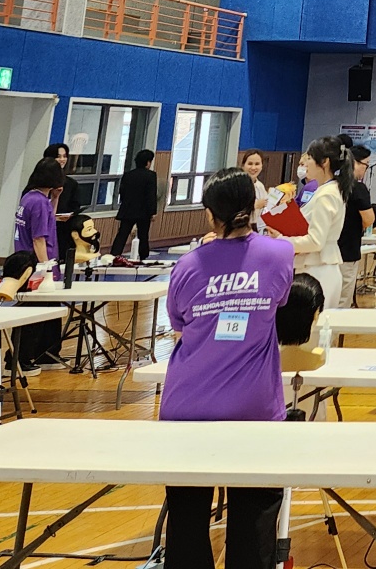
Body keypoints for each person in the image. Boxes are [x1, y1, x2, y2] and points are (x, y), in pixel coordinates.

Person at [161, 167, 291, 569]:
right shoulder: (279, 254)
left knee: (186, 520)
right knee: (254, 517)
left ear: (209, 214)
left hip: (187, 407)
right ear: (252, 207)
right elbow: (280, 302)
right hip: (253, 408)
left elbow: (179, 326)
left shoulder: (187, 266)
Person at [281, 135, 351, 310]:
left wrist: (281, 241)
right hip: (316, 267)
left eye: (310, 159)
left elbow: (316, 241)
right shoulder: (326, 190)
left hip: (319, 269)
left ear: (324, 162)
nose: (305, 164)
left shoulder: (326, 194)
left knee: (315, 325)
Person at [12, 159, 66, 372]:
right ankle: (20, 359)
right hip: (37, 266)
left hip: (28, 262)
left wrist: (55, 198)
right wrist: (46, 270)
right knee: (34, 316)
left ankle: (45, 354)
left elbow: (48, 220)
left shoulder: (30, 198)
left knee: (49, 313)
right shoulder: (39, 202)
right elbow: (39, 239)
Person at [337, 145, 376, 307]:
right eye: (366, 165)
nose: (366, 169)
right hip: (348, 249)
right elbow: (369, 219)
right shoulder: (358, 188)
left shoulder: (331, 184)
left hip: (328, 250)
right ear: (356, 163)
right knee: (342, 300)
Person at [110, 149, 160, 261]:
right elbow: (151, 195)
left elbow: (122, 192)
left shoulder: (128, 175)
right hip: (143, 211)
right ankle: (143, 256)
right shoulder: (151, 175)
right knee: (143, 235)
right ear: (148, 162)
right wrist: (153, 212)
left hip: (128, 208)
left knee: (122, 234)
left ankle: (114, 254)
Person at [43, 141, 84, 270]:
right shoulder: (41, 182)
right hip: (43, 226)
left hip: (63, 228)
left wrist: (70, 215)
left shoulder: (71, 184)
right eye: (58, 156)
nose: (62, 159)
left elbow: (75, 205)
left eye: (64, 156)